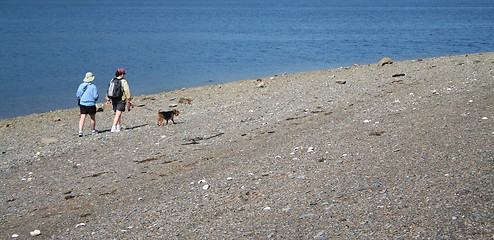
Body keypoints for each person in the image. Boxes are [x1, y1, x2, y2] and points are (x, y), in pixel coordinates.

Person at [106, 68, 132, 132]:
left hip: (114, 98)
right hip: (121, 99)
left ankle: (118, 127)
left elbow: (109, 90)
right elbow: (126, 90)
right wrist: (129, 99)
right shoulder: (124, 81)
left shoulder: (112, 80)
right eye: (123, 74)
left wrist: (108, 99)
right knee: (118, 114)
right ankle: (113, 127)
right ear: (122, 74)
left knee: (118, 113)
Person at [76, 72, 99, 137]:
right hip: (91, 104)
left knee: (82, 117)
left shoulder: (81, 85)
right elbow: (95, 96)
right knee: (92, 118)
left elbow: (78, 95)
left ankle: (80, 131)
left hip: (83, 103)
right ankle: (93, 130)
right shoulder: (93, 86)